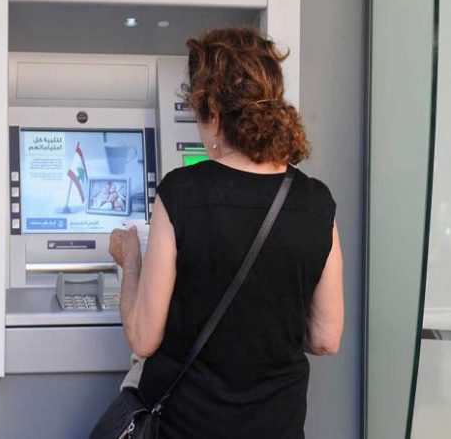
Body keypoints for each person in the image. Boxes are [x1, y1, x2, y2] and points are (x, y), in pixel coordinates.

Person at [108, 27, 344, 439]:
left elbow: (144, 338)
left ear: (213, 113)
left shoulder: (182, 192)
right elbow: (325, 338)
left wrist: (131, 260)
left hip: (186, 428)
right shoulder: (316, 201)